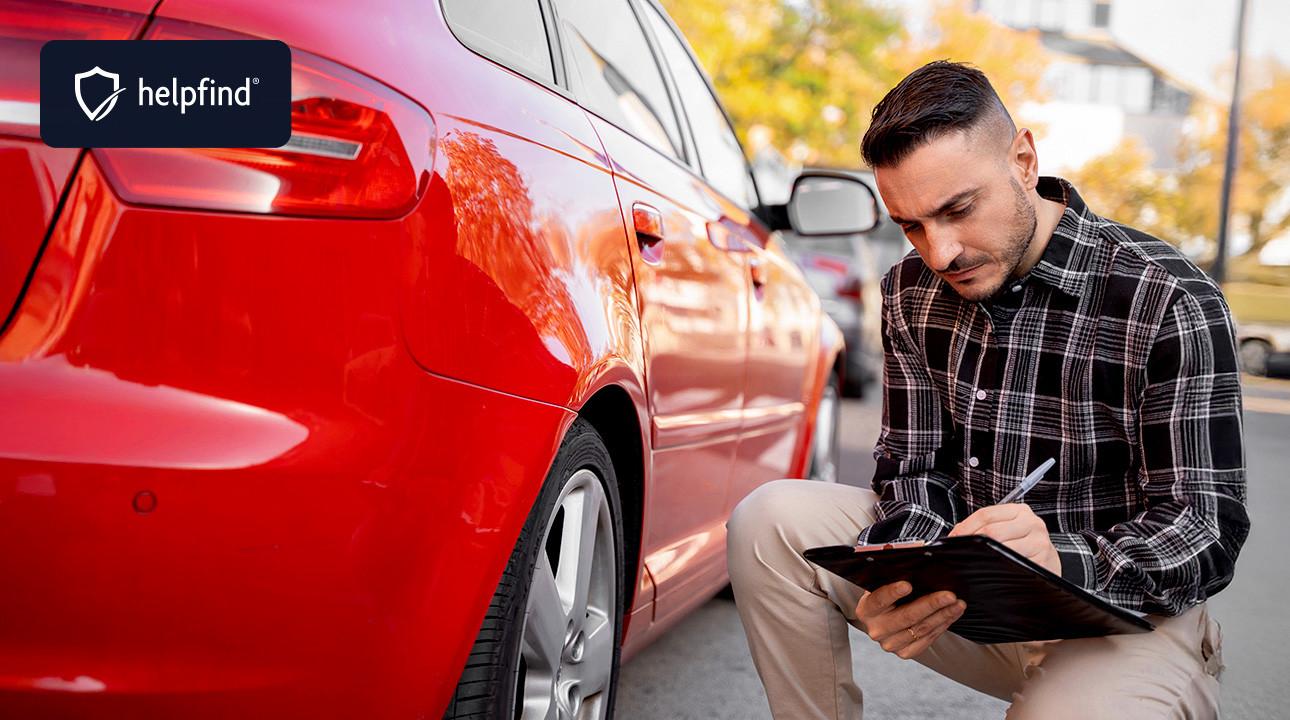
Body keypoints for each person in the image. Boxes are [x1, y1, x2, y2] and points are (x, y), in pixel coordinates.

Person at [727, 61, 1249, 719]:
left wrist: (1059, 559)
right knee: (769, 520)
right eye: (912, 224)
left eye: (958, 209)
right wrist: (905, 570)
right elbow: (913, 469)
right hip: (979, 594)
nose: (940, 252)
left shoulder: (1168, 299)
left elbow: (1205, 528)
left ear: (1023, 159)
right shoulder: (908, 292)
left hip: (1123, 620)